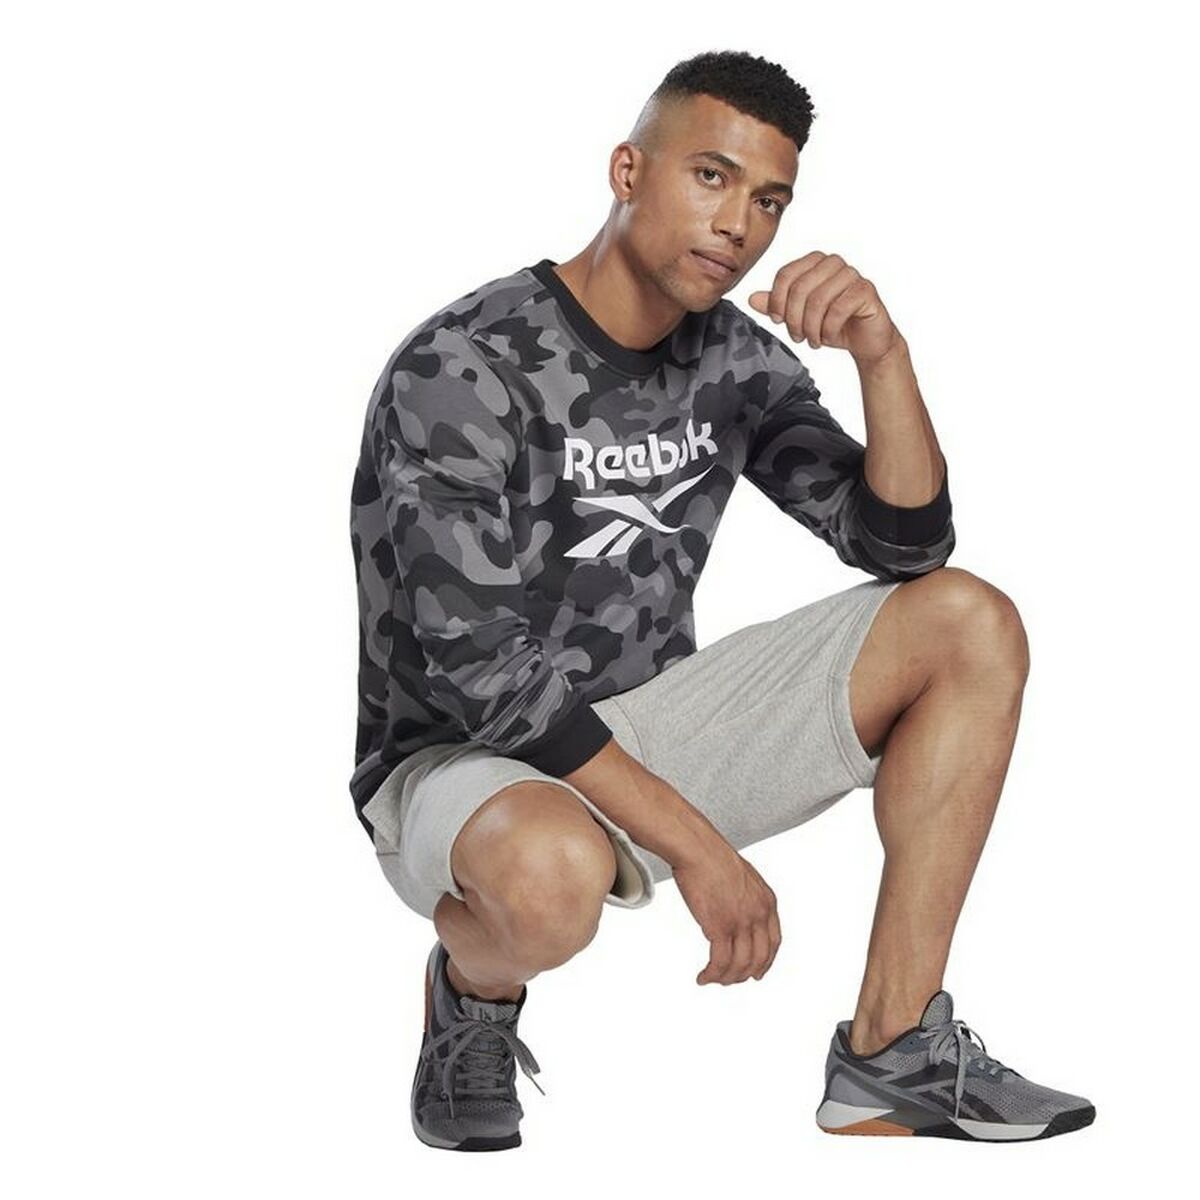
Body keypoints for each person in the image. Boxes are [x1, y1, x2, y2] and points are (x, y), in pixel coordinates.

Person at [348, 49, 1094, 1150]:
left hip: (652, 728)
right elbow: (486, 676)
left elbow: (903, 545)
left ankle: (892, 1054)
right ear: (628, 171)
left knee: (966, 620)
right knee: (548, 880)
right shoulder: (464, 365)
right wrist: (702, 851)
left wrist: (882, 356)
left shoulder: (735, 363)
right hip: (463, 760)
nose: (739, 223)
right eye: (711, 176)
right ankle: (475, 991)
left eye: (769, 200)